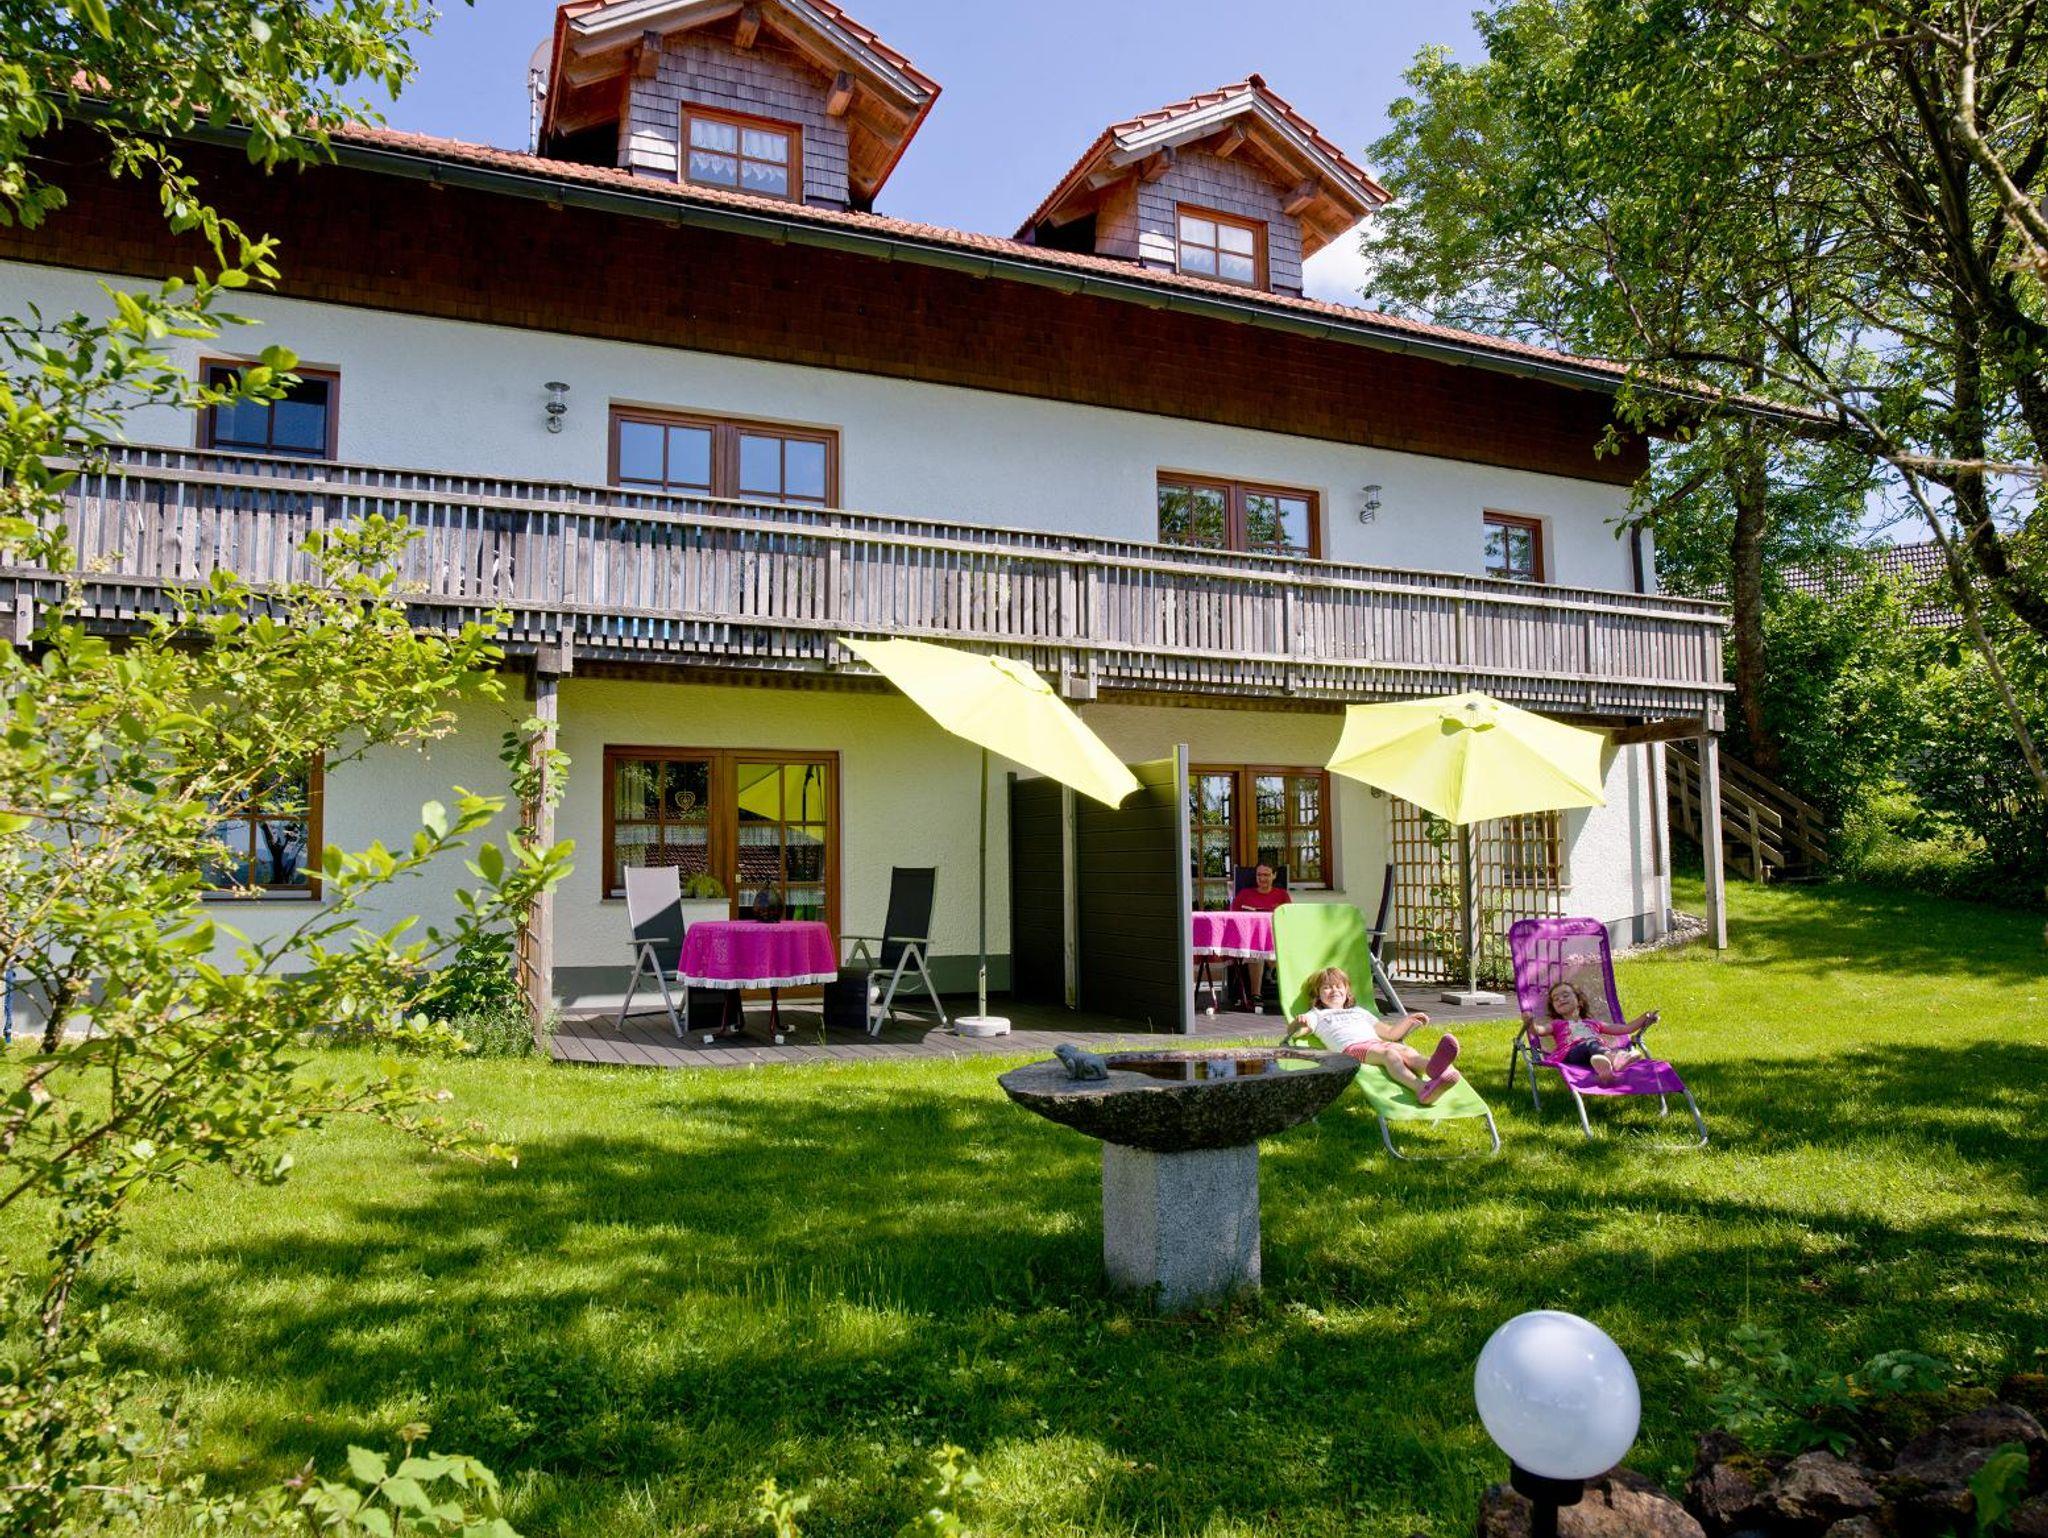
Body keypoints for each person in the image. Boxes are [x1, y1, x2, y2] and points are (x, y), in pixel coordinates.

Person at [1284, 965, 1463, 1105]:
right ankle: (1422, 1089)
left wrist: (1408, 1020)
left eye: (1339, 986)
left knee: (1406, 1051)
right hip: (1351, 1050)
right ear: (1317, 994)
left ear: (1346, 991)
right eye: (1327, 988)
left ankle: (1435, 1068)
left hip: (1377, 1043)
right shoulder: (1316, 1015)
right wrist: (1298, 1022)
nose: (1334, 991)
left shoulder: (1359, 1012)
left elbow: (1390, 1033)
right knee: (1389, 1055)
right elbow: (1296, 1033)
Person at [1543, 980, 1655, 1084]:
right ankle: (1616, 1061)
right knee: (1591, 1043)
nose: (1560, 999)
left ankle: (1605, 1072)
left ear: (1579, 1002)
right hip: (1570, 1054)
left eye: (1565, 995)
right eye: (1556, 999)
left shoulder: (1594, 1023)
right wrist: (1532, 1024)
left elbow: (1626, 1029)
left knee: (1596, 1052)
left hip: (1593, 1054)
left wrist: (1645, 1017)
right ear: (1554, 1007)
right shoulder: (1557, 1024)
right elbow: (1540, 1030)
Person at [1231, 863, 1291, 1011]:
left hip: (1275, 937)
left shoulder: (1282, 895)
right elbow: (1233, 917)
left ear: (1274, 876)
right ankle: (1257, 994)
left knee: (1268, 946)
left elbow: (1289, 918)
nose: (1262, 878)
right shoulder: (1245, 894)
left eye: (1266, 875)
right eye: (1259, 875)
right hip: (1249, 938)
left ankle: (1276, 974)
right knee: (1257, 949)